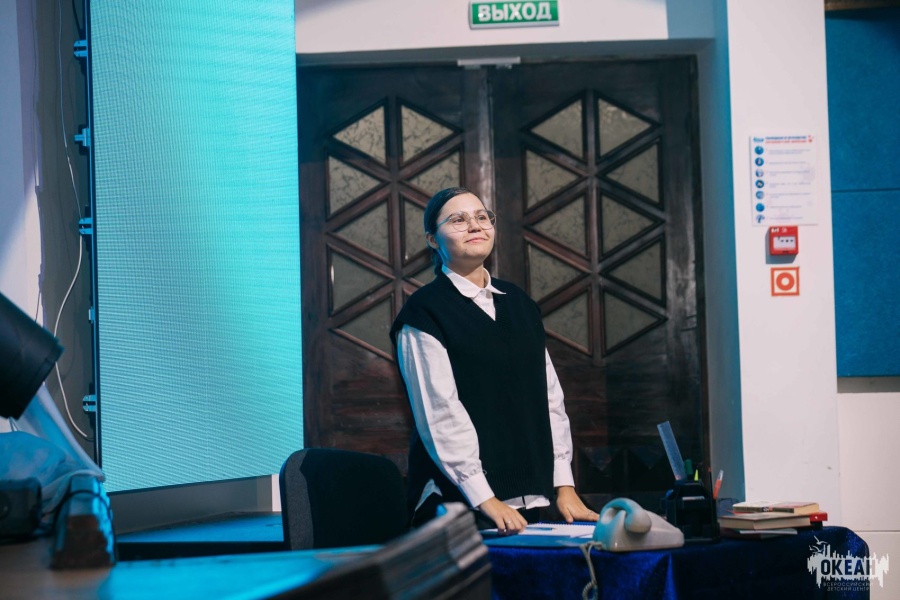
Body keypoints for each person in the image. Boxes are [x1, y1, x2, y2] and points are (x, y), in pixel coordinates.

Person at [390, 187, 598, 534]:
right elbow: (439, 413)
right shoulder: (424, 313)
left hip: (535, 495)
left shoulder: (519, 303)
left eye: (482, 217)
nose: (475, 225)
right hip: (459, 502)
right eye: (458, 220)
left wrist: (565, 485)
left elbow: (549, 399)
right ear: (432, 240)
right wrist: (484, 497)